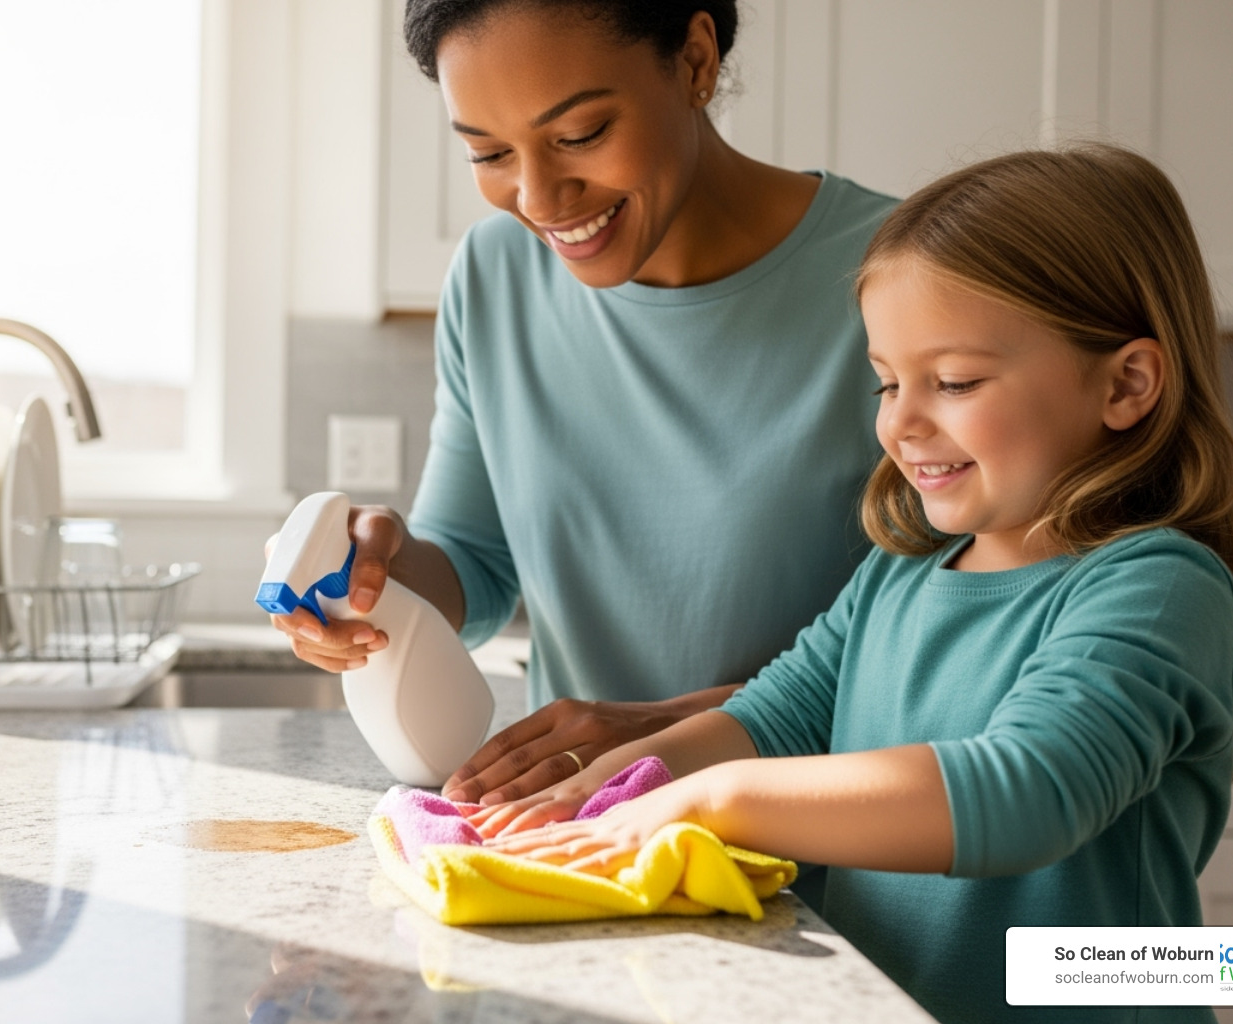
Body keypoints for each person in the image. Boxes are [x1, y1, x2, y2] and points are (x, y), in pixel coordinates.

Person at [474, 145, 1233, 1024]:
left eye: (955, 382)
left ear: (1127, 383)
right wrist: (598, 796)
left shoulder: (1157, 586)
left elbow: (1028, 792)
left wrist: (707, 801)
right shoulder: (901, 572)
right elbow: (765, 724)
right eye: (887, 381)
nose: (901, 420)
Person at [269, 0, 898, 805]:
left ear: (696, 62)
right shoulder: (494, 275)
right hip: (586, 844)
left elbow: (954, 651)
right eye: (489, 152)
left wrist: (673, 735)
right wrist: (369, 579)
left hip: (829, 857)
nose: (539, 196)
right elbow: (475, 564)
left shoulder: (904, 276)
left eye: (579, 136)